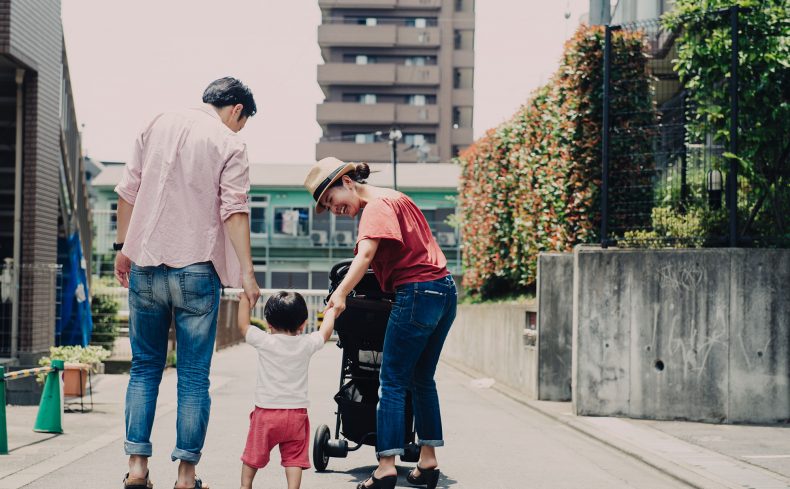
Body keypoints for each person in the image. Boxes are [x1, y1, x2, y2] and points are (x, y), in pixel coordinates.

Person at [114, 77, 261, 489]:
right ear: (236, 110)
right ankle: (185, 475)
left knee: (144, 369)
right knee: (194, 377)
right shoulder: (230, 143)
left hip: (144, 263)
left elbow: (127, 191)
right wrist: (247, 274)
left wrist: (123, 247)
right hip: (197, 269)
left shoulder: (156, 122)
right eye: (242, 122)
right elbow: (234, 210)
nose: (239, 129)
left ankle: (138, 468)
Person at [303, 157, 457, 489]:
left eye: (332, 201)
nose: (334, 210)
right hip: (444, 291)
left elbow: (366, 255)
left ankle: (386, 466)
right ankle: (427, 463)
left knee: (392, 382)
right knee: (422, 378)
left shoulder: (374, 206)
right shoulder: (397, 197)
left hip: (416, 291)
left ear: (346, 182)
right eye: (328, 208)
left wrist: (341, 293)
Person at [237, 292, 338, 489]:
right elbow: (325, 333)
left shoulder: (265, 341)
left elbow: (243, 326)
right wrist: (331, 312)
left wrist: (244, 300)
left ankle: (245, 485)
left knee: (253, 453)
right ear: (303, 324)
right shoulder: (306, 343)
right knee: (293, 457)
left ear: (269, 324)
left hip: (266, 414)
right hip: (295, 415)